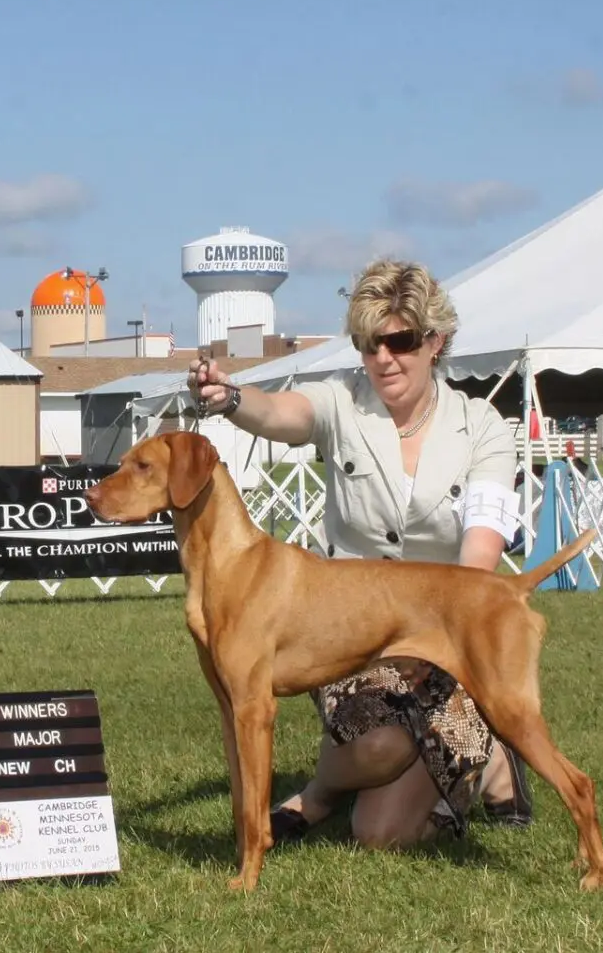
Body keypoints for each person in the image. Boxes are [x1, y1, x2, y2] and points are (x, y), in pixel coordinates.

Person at [188, 258, 531, 852]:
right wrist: (232, 397)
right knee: (379, 750)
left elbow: (481, 552)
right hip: (351, 636)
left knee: (378, 834)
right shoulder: (342, 403)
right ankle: (330, 788)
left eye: (398, 340)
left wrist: (441, 633)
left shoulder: (484, 428)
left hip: (442, 633)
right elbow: (280, 413)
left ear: (435, 341)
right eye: (368, 344)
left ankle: (489, 755)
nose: (383, 359)